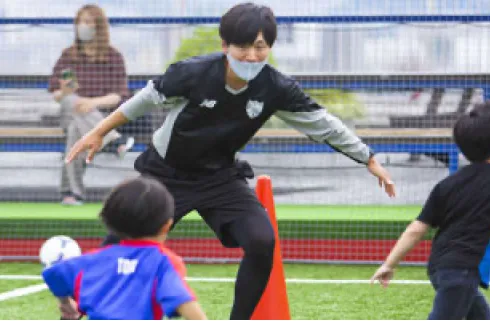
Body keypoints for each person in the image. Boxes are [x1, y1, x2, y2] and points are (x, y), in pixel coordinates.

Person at [66, 3, 396, 319]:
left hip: (219, 177)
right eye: (243, 47)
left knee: (261, 241)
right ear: (225, 44)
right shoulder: (194, 73)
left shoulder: (276, 87)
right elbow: (145, 99)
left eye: (260, 46)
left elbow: (323, 123)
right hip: (165, 174)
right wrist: (99, 131)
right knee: (121, 244)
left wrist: (367, 158)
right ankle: (76, 306)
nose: (251, 55)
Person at [371, 102, 490, 319]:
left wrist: (389, 263)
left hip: (441, 267)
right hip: (461, 272)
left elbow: (417, 229)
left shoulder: (447, 185)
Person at [42, 176, 207, 320]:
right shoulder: (164, 261)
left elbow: (53, 274)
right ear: (167, 226)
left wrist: (66, 303)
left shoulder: (94, 259)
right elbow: (181, 300)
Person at [48, 4, 134, 206]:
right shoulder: (68, 56)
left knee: (75, 131)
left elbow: (117, 96)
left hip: (100, 116)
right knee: (71, 102)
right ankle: (112, 140)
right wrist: (67, 93)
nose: (82, 26)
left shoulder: (113, 57)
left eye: (87, 22)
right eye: (79, 22)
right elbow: (58, 95)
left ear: (98, 27)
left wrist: (91, 103)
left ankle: (71, 193)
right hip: (72, 111)